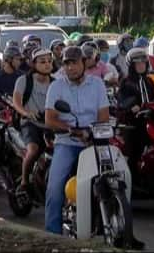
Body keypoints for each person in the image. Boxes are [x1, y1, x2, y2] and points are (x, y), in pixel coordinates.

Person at [44, 46, 110, 235]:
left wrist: (90, 132)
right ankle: (52, 233)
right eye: (67, 64)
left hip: (94, 141)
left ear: (84, 63)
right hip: (67, 142)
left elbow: (103, 116)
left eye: (74, 63)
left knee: (114, 177)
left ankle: (116, 226)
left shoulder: (97, 84)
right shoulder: (56, 86)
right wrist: (70, 129)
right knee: (55, 187)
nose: (70, 68)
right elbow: (50, 119)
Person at [12, 48, 54, 192]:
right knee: (33, 150)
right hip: (30, 123)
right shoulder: (24, 80)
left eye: (49, 61)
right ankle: (24, 182)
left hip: (50, 124)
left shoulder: (56, 83)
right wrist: (27, 113)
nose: (47, 64)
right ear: (33, 64)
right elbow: (16, 102)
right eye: (42, 62)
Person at [117, 47, 154, 168]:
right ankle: (133, 180)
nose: (141, 65)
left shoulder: (149, 81)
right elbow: (122, 101)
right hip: (132, 124)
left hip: (150, 122)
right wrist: (131, 106)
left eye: (143, 62)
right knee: (134, 153)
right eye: (137, 63)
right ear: (131, 65)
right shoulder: (126, 82)